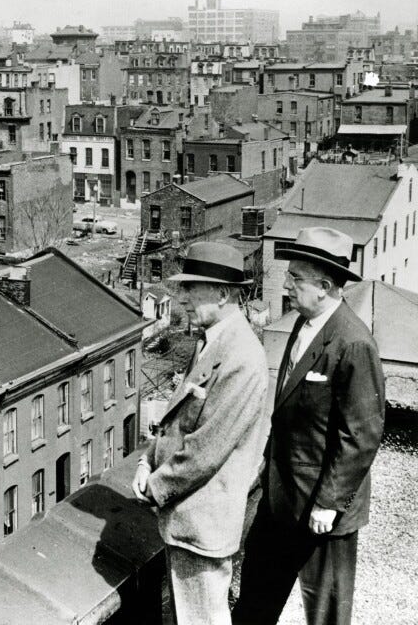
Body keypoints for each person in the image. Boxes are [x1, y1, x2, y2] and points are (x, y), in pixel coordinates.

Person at [232, 227, 385, 625]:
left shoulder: (353, 343)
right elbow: (287, 408)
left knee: (327, 613)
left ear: (325, 285)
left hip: (323, 512)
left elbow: (361, 435)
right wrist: (268, 460)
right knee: (255, 600)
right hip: (281, 498)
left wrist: (329, 503)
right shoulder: (303, 324)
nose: (285, 283)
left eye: (295, 277)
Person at [132, 241, 270, 625]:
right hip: (190, 522)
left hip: (203, 527)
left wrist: (154, 487)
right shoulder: (213, 342)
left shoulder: (242, 356)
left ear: (223, 294)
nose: (182, 298)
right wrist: (146, 460)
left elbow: (206, 448)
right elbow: (177, 424)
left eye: (192, 288)